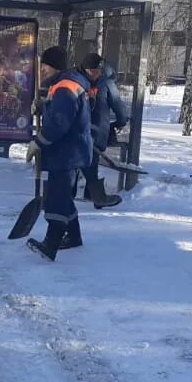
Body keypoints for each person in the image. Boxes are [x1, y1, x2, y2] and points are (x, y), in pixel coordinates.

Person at [26, 46, 93, 261]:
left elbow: (60, 123)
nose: (42, 70)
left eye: (45, 66)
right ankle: (74, 237)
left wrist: (38, 142)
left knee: (56, 198)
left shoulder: (65, 87)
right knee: (64, 195)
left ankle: (51, 244)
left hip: (67, 153)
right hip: (69, 151)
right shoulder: (63, 84)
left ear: (54, 66)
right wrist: (43, 105)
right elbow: (59, 111)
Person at [78, 53, 129, 209]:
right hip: (83, 128)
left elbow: (118, 105)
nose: (96, 74)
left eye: (98, 70)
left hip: (97, 129)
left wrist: (121, 121)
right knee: (85, 160)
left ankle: (95, 195)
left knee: (91, 160)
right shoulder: (79, 81)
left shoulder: (106, 83)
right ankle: (93, 195)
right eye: (92, 71)